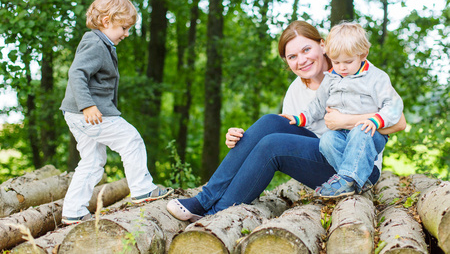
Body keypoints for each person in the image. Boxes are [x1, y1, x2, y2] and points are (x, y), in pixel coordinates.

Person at [166, 20, 406, 222]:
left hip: (356, 166)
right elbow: (287, 134)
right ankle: (205, 198)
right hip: (323, 155)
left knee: (273, 146)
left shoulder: (356, 69)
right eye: (292, 56)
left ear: (323, 46)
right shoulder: (295, 90)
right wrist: (243, 139)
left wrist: (345, 120)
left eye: (306, 50)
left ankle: (217, 213)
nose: (301, 60)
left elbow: (399, 122)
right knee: (271, 123)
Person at [60, 0, 173, 225]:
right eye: (124, 27)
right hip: (88, 112)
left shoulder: (102, 43)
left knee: (91, 161)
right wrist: (88, 105)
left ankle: (73, 211)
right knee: (130, 139)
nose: (127, 33)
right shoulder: (94, 43)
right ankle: (142, 189)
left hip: (77, 113)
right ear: (106, 21)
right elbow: (77, 74)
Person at [280, 22, 403, 198]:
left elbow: (394, 105)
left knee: (360, 131)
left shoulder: (376, 78)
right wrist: (301, 118)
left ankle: (347, 179)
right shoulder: (331, 78)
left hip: (368, 135)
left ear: (363, 54)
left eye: (348, 62)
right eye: (336, 62)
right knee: (327, 140)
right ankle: (356, 181)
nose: (342, 67)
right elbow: (317, 105)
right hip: (341, 135)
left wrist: (375, 120)